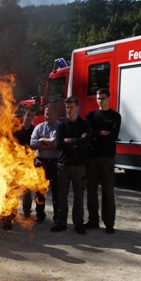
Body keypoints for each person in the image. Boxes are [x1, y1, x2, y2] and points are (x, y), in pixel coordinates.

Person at [85, 89, 121, 234]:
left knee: (108, 191)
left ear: (109, 98)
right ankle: (93, 220)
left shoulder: (115, 116)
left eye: (103, 98)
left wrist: (96, 136)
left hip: (107, 158)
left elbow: (113, 137)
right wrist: (100, 133)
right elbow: (86, 134)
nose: (101, 101)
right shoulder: (91, 115)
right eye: (98, 98)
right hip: (92, 157)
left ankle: (109, 222)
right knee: (91, 190)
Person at [53, 96, 91, 234]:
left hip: (79, 166)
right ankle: (61, 222)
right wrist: (76, 142)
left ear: (77, 108)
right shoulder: (61, 125)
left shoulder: (84, 124)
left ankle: (78, 224)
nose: (69, 110)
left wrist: (70, 140)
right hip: (63, 165)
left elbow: (86, 142)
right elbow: (58, 144)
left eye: (71, 107)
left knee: (78, 196)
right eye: (67, 107)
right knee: (61, 195)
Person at [29, 103, 61, 224]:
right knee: (39, 191)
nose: (48, 116)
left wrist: (42, 140)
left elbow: (57, 143)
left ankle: (57, 216)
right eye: (46, 114)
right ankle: (40, 214)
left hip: (54, 164)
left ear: (56, 114)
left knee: (56, 192)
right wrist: (49, 144)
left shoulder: (60, 127)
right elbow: (33, 143)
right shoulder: (39, 127)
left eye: (51, 114)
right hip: (41, 164)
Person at [10, 107, 36, 226]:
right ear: (24, 116)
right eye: (28, 115)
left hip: (28, 164)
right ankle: (12, 211)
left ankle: (27, 212)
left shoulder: (34, 131)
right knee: (13, 189)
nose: (29, 117)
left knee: (27, 190)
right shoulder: (16, 130)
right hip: (15, 163)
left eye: (32, 115)